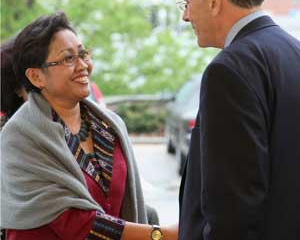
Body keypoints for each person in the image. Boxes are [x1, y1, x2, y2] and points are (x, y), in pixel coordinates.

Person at [1, 12, 177, 240]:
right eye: (68, 59)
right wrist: (162, 235)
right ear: (36, 77)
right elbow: (75, 223)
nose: (83, 65)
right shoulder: (19, 137)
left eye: (82, 53)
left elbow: (123, 205)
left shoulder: (110, 125)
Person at [177, 0, 300, 240]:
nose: (185, 17)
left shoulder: (229, 70)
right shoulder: (294, 52)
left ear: (213, 0)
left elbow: (233, 206)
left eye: (186, 2)